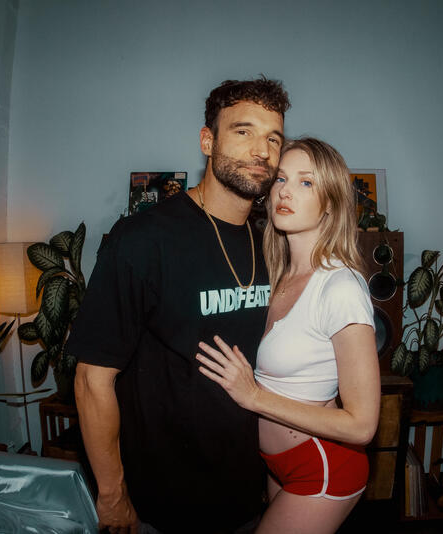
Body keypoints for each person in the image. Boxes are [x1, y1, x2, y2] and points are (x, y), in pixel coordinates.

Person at [68, 77, 291, 534]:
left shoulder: (271, 244)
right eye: (244, 131)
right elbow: (92, 380)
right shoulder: (144, 239)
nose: (262, 151)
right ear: (208, 141)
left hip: (244, 496)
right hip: (161, 506)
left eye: (273, 139)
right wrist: (112, 494)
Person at [196, 138, 382, 534]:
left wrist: (254, 397)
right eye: (280, 178)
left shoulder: (340, 287)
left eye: (306, 182)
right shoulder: (275, 274)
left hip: (323, 465)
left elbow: (363, 425)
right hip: (278, 464)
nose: (285, 191)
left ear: (330, 203)